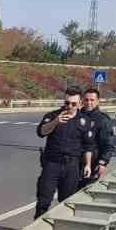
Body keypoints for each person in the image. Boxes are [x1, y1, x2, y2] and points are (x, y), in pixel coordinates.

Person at [34, 88, 95, 218]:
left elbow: (88, 145)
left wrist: (88, 165)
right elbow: (41, 132)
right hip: (52, 163)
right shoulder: (52, 116)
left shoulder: (85, 121)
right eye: (67, 103)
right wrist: (55, 122)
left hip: (71, 166)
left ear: (80, 104)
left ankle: (60, 228)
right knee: (44, 199)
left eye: (73, 104)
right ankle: (35, 229)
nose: (69, 106)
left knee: (66, 201)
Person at [81, 87, 114, 188]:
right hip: (73, 162)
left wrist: (103, 162)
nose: (89, 103)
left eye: (92, 100)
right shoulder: (77, 115)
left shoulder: (103, 120)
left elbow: (108, 144)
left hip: (92, 163)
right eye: (86, 100)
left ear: (98, 101)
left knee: (83, 191)